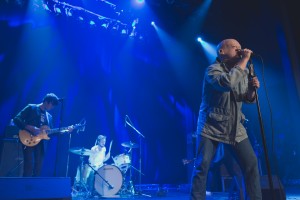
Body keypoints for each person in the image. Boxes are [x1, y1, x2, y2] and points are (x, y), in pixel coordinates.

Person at [191, 39, 262, 200]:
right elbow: (227, 83)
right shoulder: (212, 70)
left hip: (235, 126)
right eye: (235, 47)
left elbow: (247, 98)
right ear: (222, 52)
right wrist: (244, 60)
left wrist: (251, 89)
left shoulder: (243, 70)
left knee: (251, 164)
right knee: (202, 166)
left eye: (240, 47)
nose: (240, 49)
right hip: (211, 126)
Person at [13, 93, 73, 177]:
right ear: (47, 101)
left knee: (38, 168)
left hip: (41, 144)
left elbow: (50, 132)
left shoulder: (49, 117)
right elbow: (16, 119)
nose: (52, 108)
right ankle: (24, 187)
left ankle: (34, 188)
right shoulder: (31, 107)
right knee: (28, 166)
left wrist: (66, 130)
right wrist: (29, 127)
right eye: (52, 105)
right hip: (28, 139)